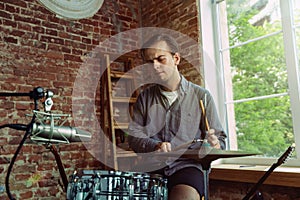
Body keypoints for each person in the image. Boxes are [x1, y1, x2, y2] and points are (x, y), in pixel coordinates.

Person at [127, 34, 227, 200]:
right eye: (150, 62)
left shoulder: (202, 96)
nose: (155, 66)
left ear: (176, 59)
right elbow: (133, 136)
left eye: (161, 59)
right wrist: (155, 145)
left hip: (186, 167)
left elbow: (221, 141)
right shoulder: (144, 98)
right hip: (151, 166)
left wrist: (215, 144)